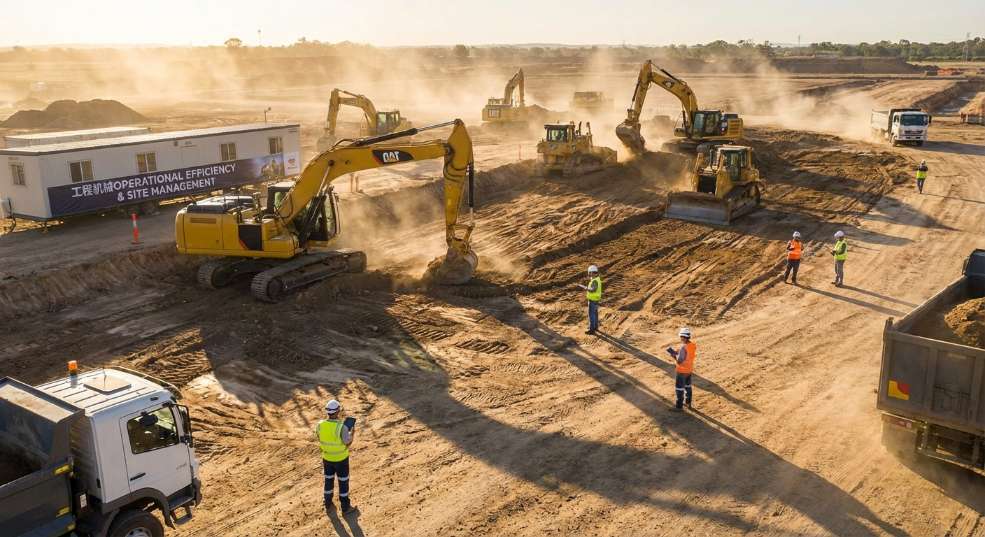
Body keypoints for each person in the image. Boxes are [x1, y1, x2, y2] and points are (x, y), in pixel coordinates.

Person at [317, 399, 355, 514]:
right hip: (341, 459)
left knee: (328, 480)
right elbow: (347, 442)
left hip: (327, 458)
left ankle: (327, 502)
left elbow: (319, 438)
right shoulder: (342, 427)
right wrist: (352, 433)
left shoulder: (320, 425)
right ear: (338, 411)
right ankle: (345, 507)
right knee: (343, 482)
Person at [665, 327, 696, 410]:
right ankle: (688, 403)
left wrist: (674, 356)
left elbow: (679, 361)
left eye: (681, 337)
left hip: (681, 371)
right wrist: (676, 352)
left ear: (683, 337)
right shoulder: (692, 345)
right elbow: (686, 354)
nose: (680, 338)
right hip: (689, 370)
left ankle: (679, 407)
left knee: (679, 388)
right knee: (688, 386)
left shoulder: (683, 347)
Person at [577, 265, 602, 335]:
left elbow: (593, 290)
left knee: (592, 315)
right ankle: (596, 327)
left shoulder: (595, 281)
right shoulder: (597, 279)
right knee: (595, 314)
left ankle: (592, 330)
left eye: (589, 273)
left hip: (592, 300)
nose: (589, 274)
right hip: (596, 300)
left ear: (592, 273)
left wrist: (586, 288)